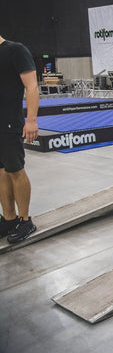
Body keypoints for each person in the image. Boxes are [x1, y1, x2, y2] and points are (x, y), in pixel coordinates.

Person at [0, 35, 39, 243]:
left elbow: (31, 87)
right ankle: (9, 218)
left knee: (15, 170)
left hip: (9, 123)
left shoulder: (15, 50)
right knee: (1, 172)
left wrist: (31, 120)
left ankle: (25, 221)